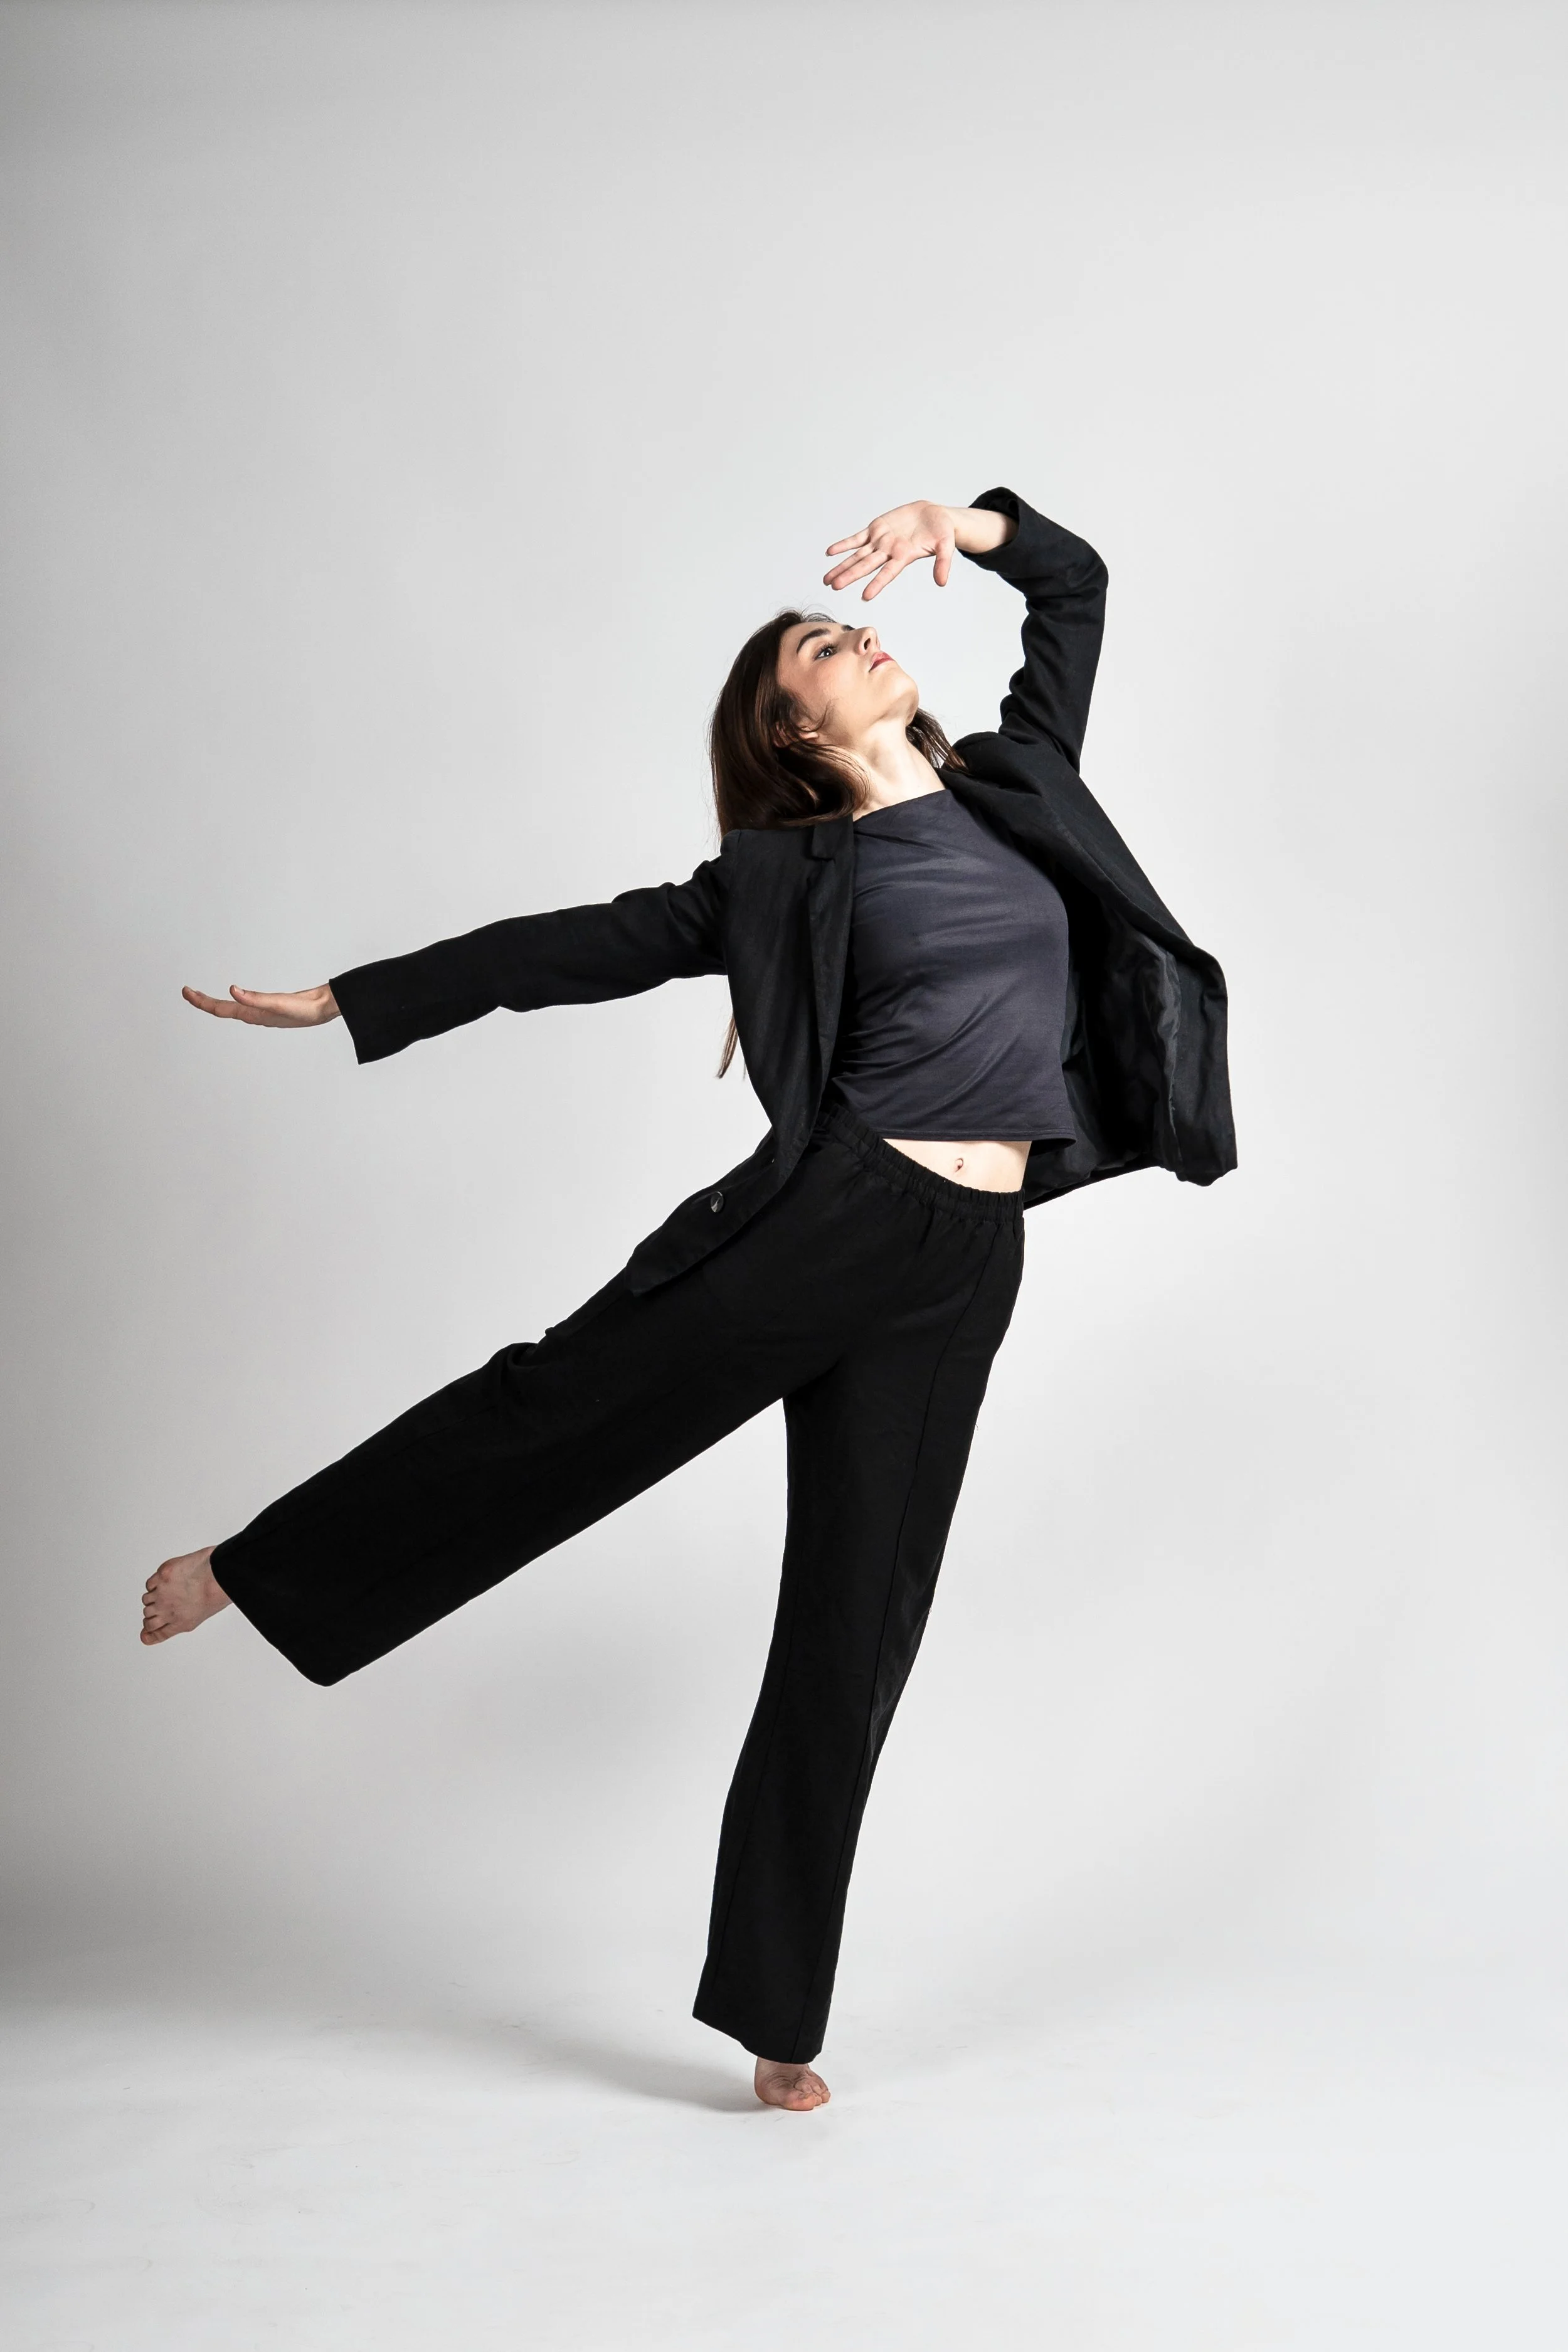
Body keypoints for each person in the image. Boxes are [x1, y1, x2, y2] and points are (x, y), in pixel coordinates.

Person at [143, 488, 1236, 2112]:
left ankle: (778, 2014)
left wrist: (973, 522)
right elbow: (576, 944)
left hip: (967, 1261)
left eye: (848, 624)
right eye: (815, 646)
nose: (855, 632)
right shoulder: (784, 876)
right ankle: (252, 1565)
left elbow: (1071, 592)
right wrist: (355, 997)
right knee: (560, 1408)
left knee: (856, 1619)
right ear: (788, 729)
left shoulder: (1015, 787)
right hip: (832, 1217)